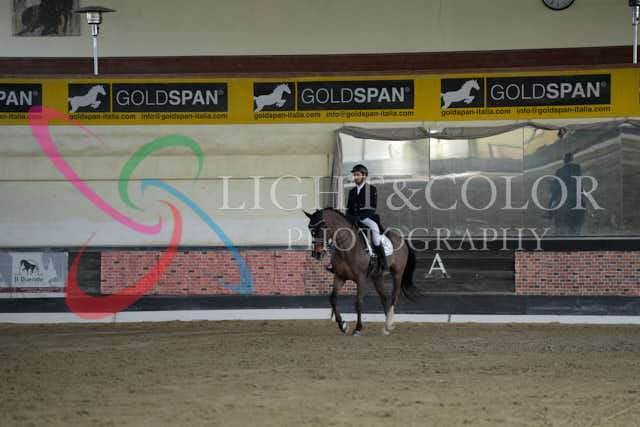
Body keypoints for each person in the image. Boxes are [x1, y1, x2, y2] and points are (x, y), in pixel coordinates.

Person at [346, 164, 387, 271]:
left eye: (357, 175)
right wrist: (348, 217)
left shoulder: (371, 189)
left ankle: (383, 261)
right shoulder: (352, 191)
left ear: (364, 176)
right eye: (354, 175)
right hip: (353, 219)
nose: (355, 177)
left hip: (367, 218)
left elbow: (372, 208)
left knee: (375, 232)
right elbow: (349, 208)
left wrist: (359, 217)